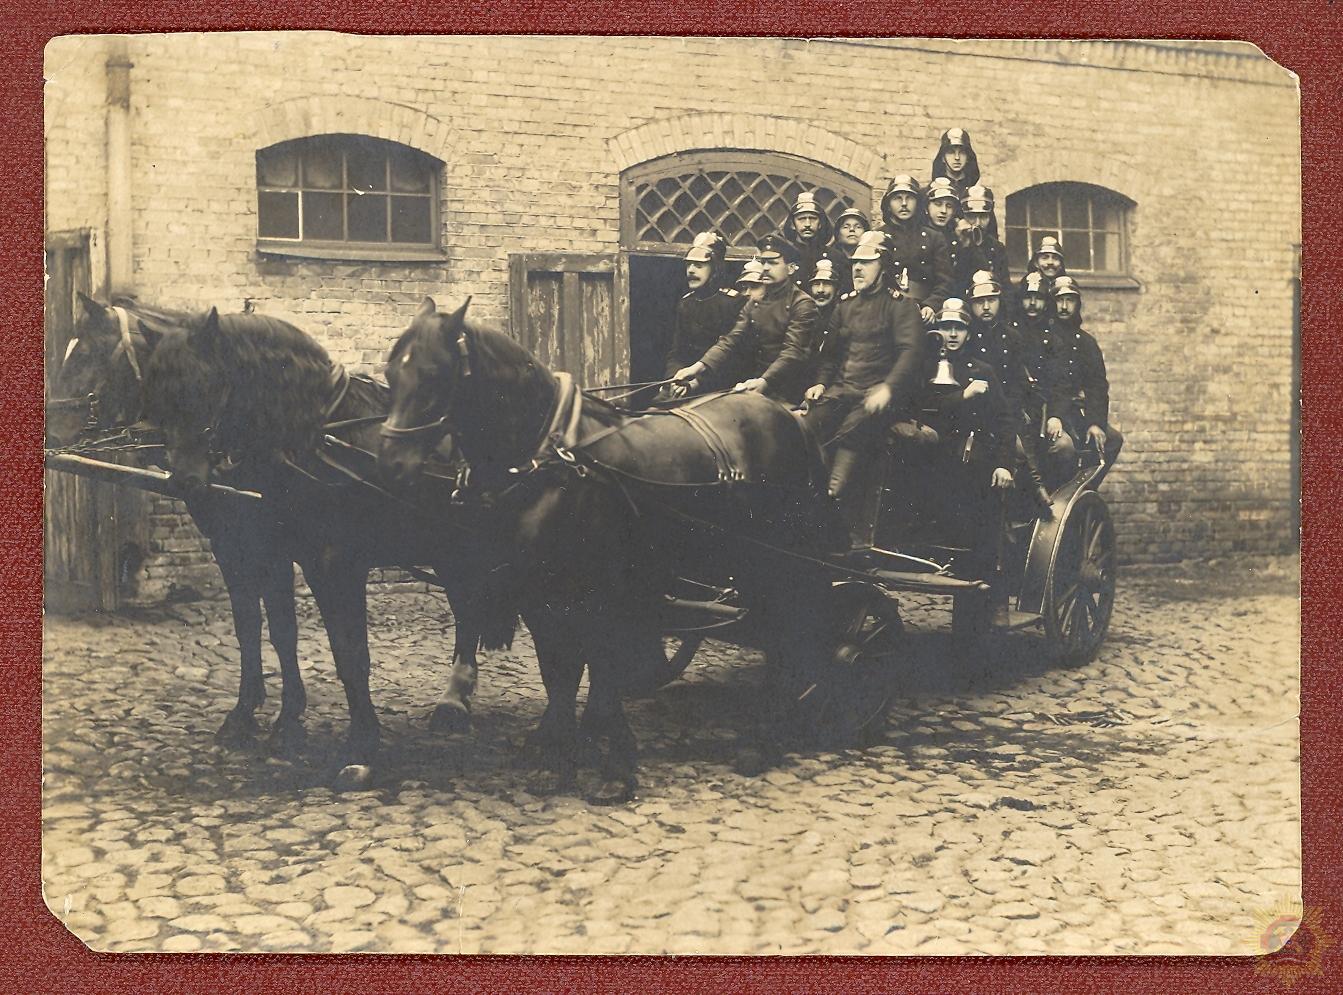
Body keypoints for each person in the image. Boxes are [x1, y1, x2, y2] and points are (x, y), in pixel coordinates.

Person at [802, 230, 925, 551]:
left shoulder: (901, 306)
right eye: (855, 263)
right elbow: (831, 355)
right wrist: (820, 383)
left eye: (866, 263)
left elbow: (911, 353)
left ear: (882, 267)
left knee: (851, 431)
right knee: (806, 426)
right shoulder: (845, 305)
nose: (857, 269)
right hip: (843, 391)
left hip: (881, 397)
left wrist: (888, 387)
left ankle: (832, 497)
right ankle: (805, 506)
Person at [916, 298, 1016, 577]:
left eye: (958, 328)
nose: (952, 335)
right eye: (946, 327)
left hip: (972, 459)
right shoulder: (926, 369)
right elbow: (923, 407)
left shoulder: (982, 371)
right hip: (932, 456)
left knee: (981, 512)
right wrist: (963, 396)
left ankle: (980, 583)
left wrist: (1004, 464)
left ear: (968, 334)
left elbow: (1005, 421)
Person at [671, 234, 818, 404]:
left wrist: (764, 381)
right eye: (763, 262)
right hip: (755, 382)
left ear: (791, 268)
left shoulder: (802, 303)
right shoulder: (756, 301)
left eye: (773, 263)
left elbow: (792, 352)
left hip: (788, 388)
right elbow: (731, 340)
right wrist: (698, 367)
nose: (766, 268)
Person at [967, 270, 1051, 510]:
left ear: (999, 302)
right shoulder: (967, 335)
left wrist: (1012, 409)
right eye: (979, 302)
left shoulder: (1011, 337)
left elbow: (1017, 381)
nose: (985, 307)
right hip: (976, 409)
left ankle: (1033, 495)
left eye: (990, 301)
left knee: (1020, 445)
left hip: (1005, 410)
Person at [1044, 276, 1124, 471]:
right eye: (1059, 300)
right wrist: (1054, 415)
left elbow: (1097, 386)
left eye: (1069, 300)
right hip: (1047, 411)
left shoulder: (1086, 343)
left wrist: (1094, 422)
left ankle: (1082, 489)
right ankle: (1057, 493)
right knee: (1064, 447)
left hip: (1074, 412)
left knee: (1112, 439)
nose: (1064, 306)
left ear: (1077, 304)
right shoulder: (1042, 338)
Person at [662, 232, 745, 385]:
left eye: (699, 265)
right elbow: (677, 352)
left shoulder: (733, 302)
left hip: (720, 384)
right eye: (689, 265)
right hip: (686, 382)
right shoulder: (686, 304)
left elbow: (732, 354)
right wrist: (673, 379)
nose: (691, 271)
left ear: (715, 268)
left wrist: (697, 382)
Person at [879, 174, 955, 327]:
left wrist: (931, 305)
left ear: (918, 203)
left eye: (910, 198)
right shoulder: (878, 236)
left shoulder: (934, 238)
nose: (904, 204)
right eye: (897, 198)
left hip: (923, 312)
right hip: (885, 312)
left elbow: (944, 281)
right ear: (888, 204)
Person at [923, 176, 974, 297]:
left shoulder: (956, 237)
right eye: (938, 204)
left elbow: (966, 276)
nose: (943, 211)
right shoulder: (919, 235)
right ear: (926, 208)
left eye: (949, 206)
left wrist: (966, 245)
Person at [958, 185, 1011, 301]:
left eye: (983, 217)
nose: (977, 222)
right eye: (971, 216)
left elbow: (1005, 288)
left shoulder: (997, 248)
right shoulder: (951, 243)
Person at [783, 191, 836, 290]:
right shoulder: (785, 258)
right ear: (792, 224)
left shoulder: (835, 257)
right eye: (801, 219)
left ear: (820, 223)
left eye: (813, 218)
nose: (807, 224)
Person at [828, 205, 871, 296]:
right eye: (846, 227)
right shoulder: (829, 259)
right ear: (838, 234)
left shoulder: (872, 259)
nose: (852, 230)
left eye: (858, 227)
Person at [930, 128, 981, 196]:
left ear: (968, 157)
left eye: (962, 152)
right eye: (951, 152)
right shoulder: (932, 191)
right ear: (943, 158)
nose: (957, 157)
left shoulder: (976, 193)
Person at [1017, 235, 1068, 302]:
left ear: (1061, 264)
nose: (1050, 262)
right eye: (1045, 258)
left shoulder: (1066, 286)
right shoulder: (1025, 287)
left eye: (1055, 258)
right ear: (1036, 263)